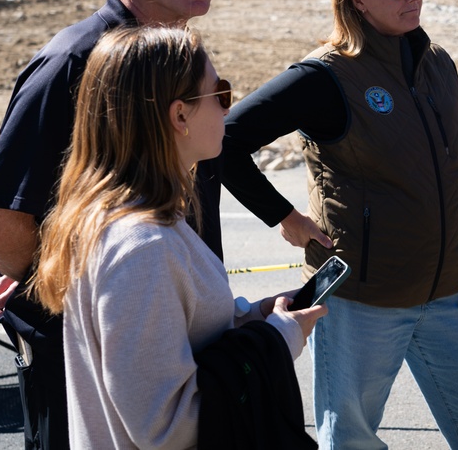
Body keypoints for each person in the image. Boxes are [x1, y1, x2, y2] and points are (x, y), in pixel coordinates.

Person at [220, 0, 458, 449]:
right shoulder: (322, 77)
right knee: (351, 439)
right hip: (362, 302)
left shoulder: (438, 64)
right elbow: (223, 140)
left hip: (451, 292)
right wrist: (284, 217)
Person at [0, 0, 220, 450]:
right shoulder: (74, 65)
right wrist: (59, 288)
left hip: (169, 347)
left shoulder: (173, 58)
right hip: (85, 363)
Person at [28, 25, 325, 447]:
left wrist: (251, 317)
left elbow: (174, 334)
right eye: (220, 93)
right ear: (180, 115)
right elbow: (167, 427)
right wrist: (277, 339)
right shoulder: (141, 249)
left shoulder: (127, 220)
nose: (228, 108)